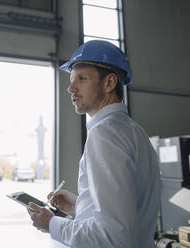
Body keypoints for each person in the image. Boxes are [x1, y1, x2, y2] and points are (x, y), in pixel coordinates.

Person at [27, 40, 160, 248]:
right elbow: (127, 213)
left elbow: (113, 237)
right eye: (72, 79)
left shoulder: (105, 133)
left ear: (109, 83)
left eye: (82, 79)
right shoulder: (134, 131)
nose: (71, 88)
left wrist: (51, 223)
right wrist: (79, 205)